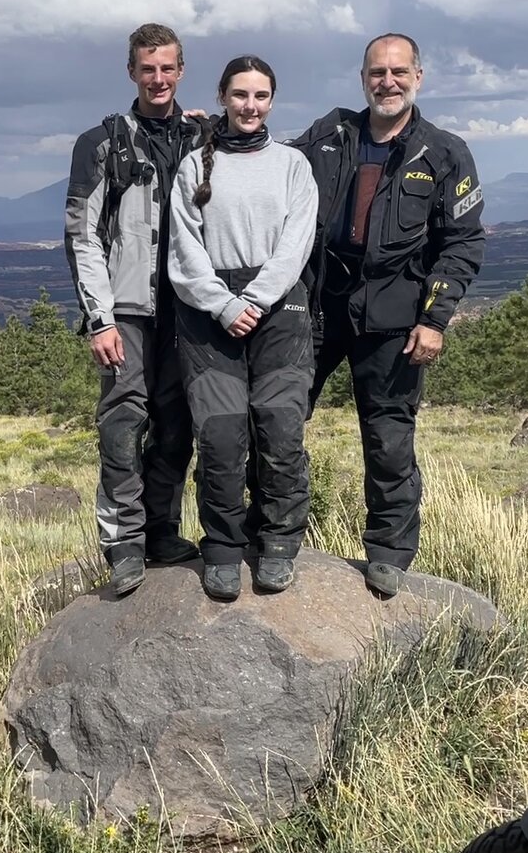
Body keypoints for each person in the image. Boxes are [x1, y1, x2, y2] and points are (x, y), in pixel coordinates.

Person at [291, 33, 486, 597]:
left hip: (396, 317)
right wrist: (217, 133)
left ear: (418, 77)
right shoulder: (330, 134)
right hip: (321, 304)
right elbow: (269, 163)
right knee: (278, 420)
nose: (388, 82)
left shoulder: (444, 152)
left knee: (388, 439)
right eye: (378, 72)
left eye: (399, 72)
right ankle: (275, 534)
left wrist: (435, 318)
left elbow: (463, 242)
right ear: (363, 79)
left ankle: (389, 553)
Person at [63, 23, 210, 595]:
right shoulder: (102, 143)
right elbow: (81, 236)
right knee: (124, 425)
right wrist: (99, 319)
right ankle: (123, 544)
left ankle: (161, 529)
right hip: (127, 309)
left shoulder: (201, 136)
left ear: (180, 70)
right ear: (131, 72)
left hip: (190, 308)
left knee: (178, 427)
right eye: (147, 68)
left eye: (167, 67)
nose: (158, 78)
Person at [168, 55, 318, 602]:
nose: (250, 106)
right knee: (222, 436)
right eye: (239, 96)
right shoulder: (193, 166)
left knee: (280, 431)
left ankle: (278, 544)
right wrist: (224, 305)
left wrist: (253, 298)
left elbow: (296, 243)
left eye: (260, 96)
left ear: (271, 101)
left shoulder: (292, 166)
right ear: (224, 98)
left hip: (280, 311)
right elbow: (184, 252)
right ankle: (225, 550)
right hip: (210, 316)